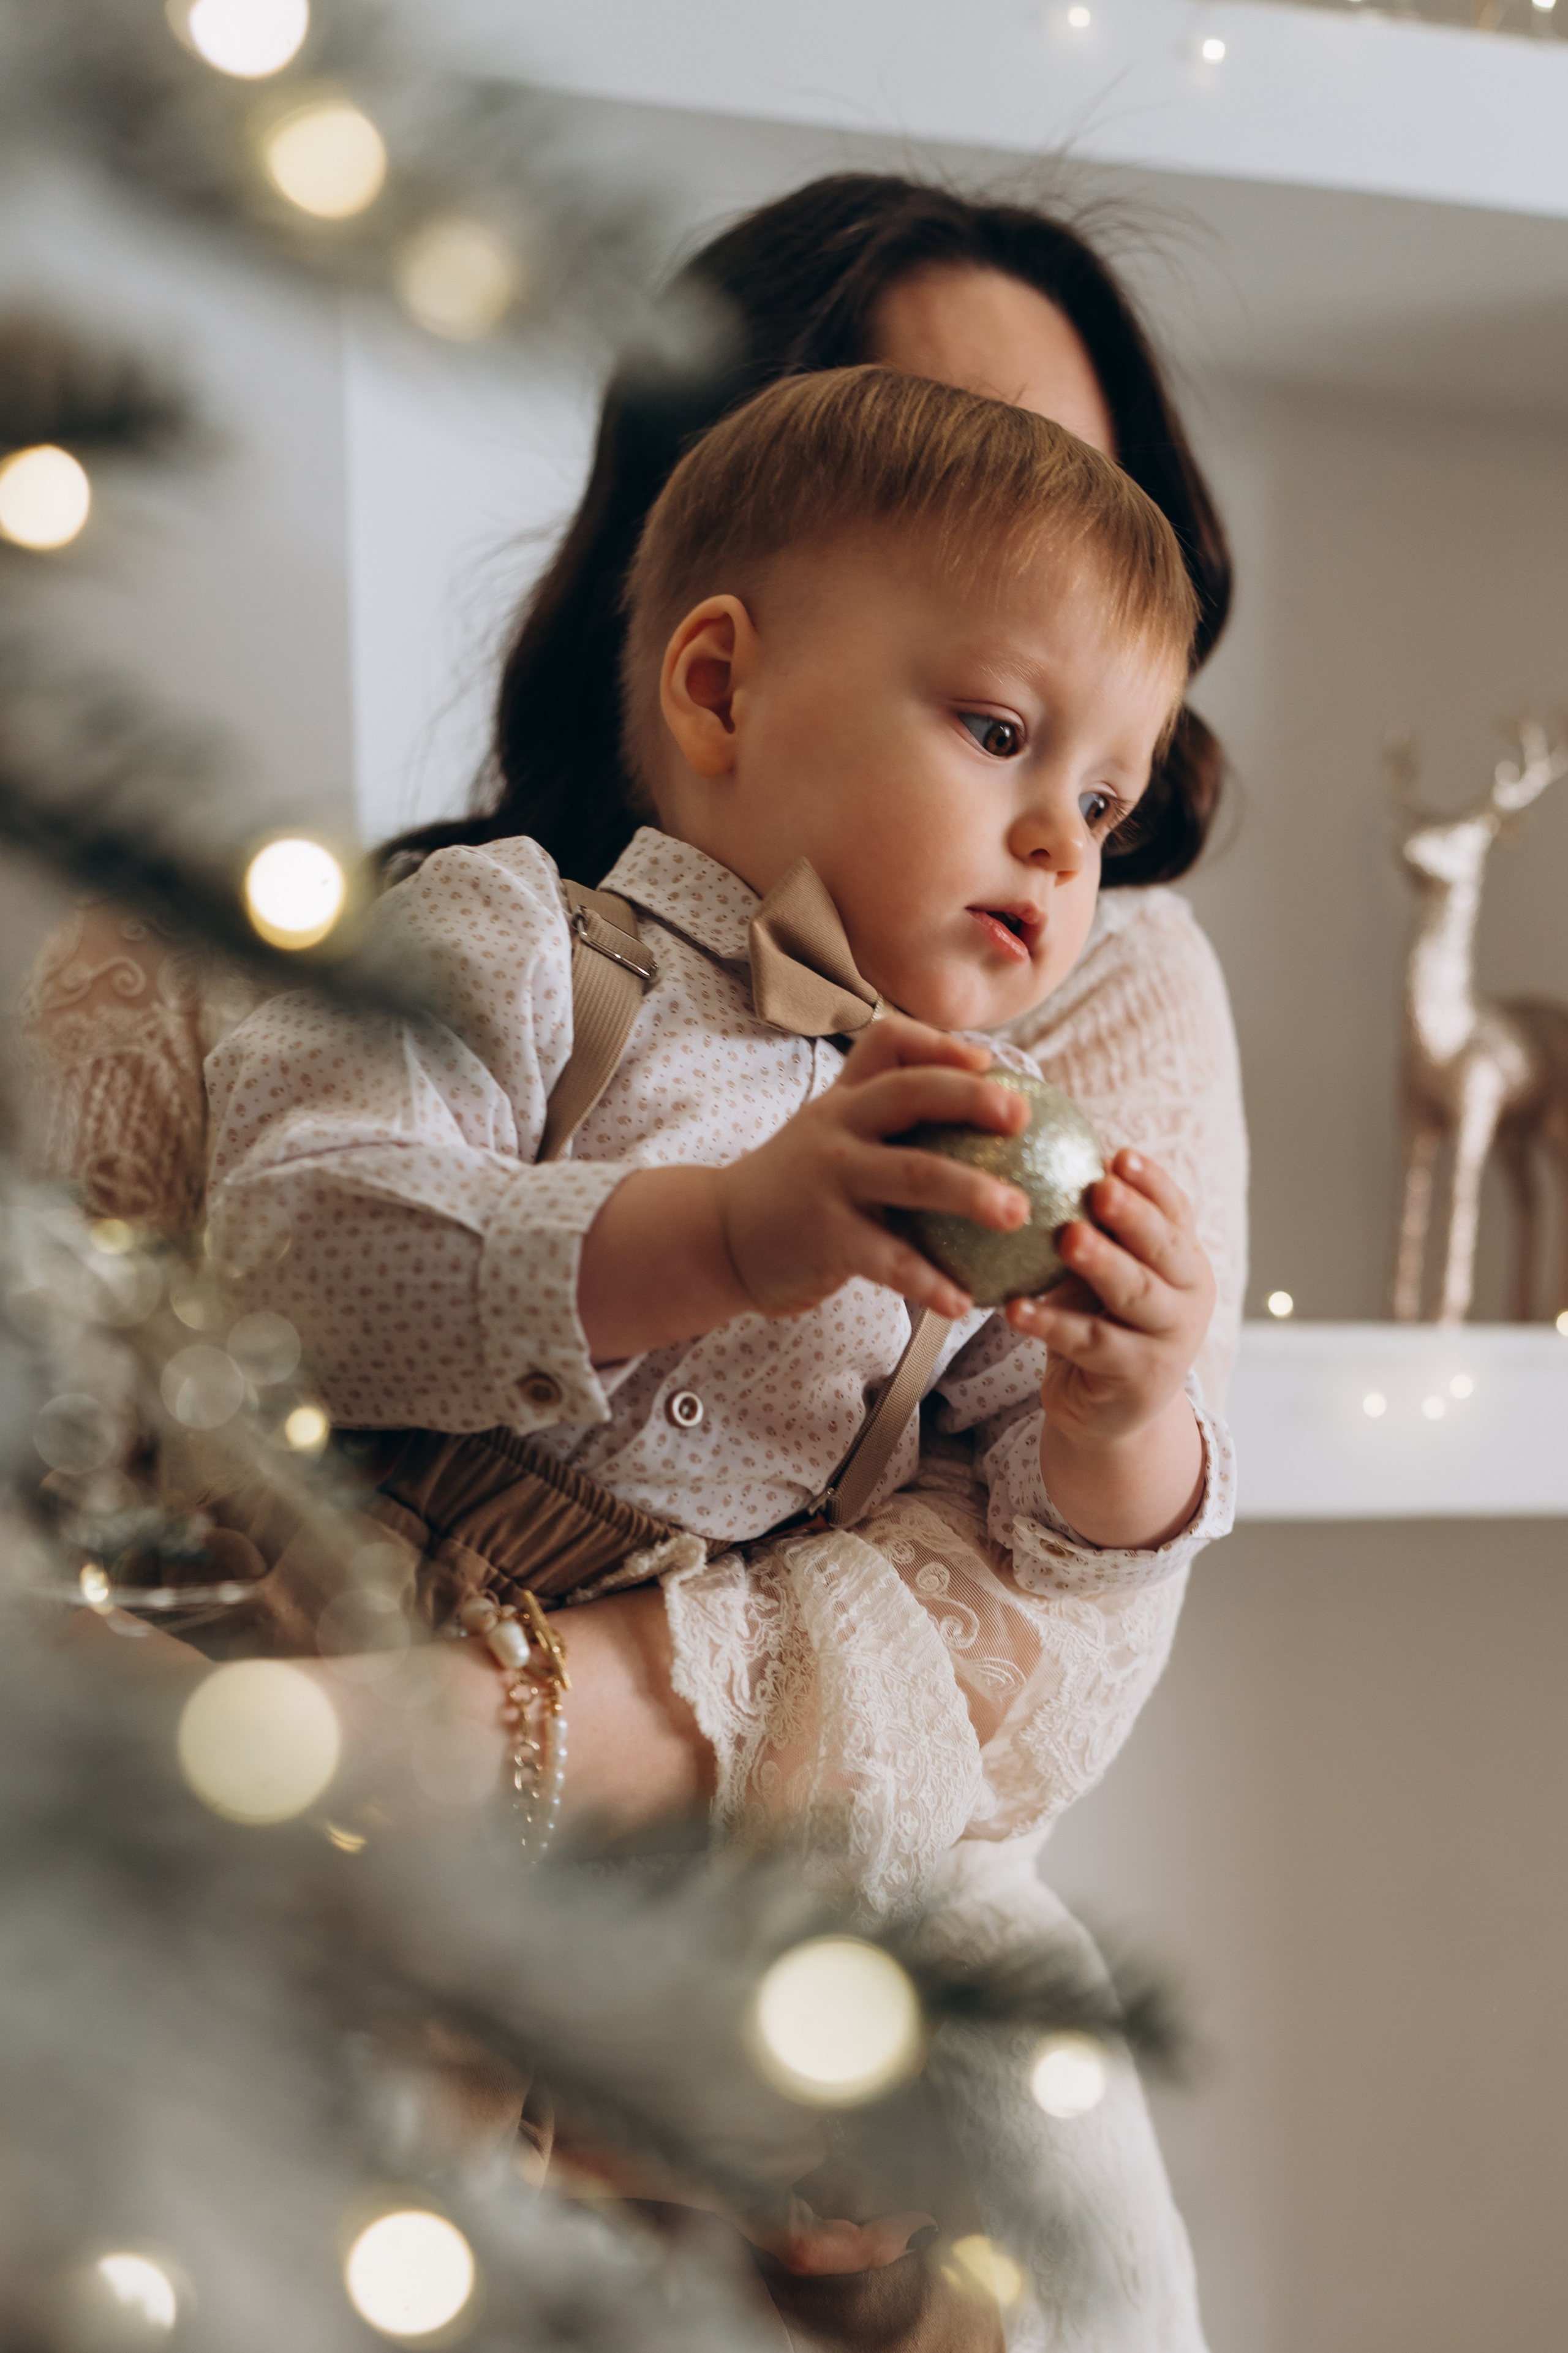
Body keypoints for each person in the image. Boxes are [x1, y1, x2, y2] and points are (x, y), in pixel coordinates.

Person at [24, 176, 1248, 2348]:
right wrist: (736, 1227)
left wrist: (1133, 1411)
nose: (1069, 844)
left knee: (1030, 2071)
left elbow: (1037, 1591)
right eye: (997, 724)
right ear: (720, 664)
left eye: (1110, 787)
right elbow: (314, 1260)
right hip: (341, 1658)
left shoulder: (1019, 1108)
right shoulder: (479, 936)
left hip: (730, 1848)